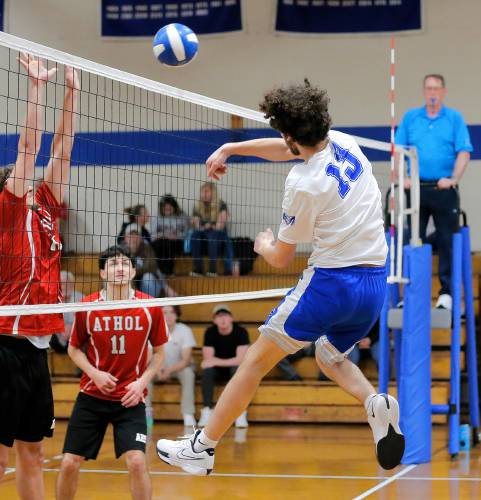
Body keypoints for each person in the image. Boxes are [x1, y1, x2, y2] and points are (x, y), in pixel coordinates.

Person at [157, 80, 404, 475]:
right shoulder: (344, 142)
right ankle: (373, 403)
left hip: (332, 284)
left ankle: (202, 448)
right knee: (330, 355)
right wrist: (233, 148)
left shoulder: (303, 183)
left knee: (254, 362)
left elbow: (281, 258)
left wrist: (263, 244)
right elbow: (287, 149)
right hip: (375, 284)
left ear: (289, 135)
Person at [0, 56, 80, 500]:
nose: (34, 181)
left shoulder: (47, 209)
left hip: (36, 350)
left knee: (32, 453)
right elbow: (29, 148)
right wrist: (37, 87)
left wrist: (73, 94)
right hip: (4, 349)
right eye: (24, 181)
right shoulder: (9, 215)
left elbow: (63, 150)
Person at [56, 245, 167, 500]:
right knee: (69, 462)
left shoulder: (150, 306)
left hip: (130, 399)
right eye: (114, 264)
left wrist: (141, 384)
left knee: (137, 462)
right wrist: (94, 373)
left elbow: (160, 354)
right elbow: (74, 350)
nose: (120, 268)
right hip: (92, 396)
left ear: (134, 271)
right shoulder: (87, 306)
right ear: (103, 273)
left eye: (125, 263)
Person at [395, 74, 473, 310]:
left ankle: (446, 293)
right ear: (423, 90)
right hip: (416, 189)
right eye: (428, 88)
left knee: (447, 240)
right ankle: (411, 292)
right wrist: (404, 178)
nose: (432, 93)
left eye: (436, 89)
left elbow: (464, 152)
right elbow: (399, 150)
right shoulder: (411, 117)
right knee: (411, 239)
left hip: (443, 188)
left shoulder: (454, 118)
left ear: (443, 91)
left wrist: (453, 179)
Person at [198, 304, 249, 428]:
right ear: (214, 320)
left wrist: (215, 361)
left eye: (225, 315)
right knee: (207, 371)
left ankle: (240, 412)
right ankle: (207, 410)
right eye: (219, 316)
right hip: (217, 371)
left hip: (234, 369)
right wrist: (214, 362)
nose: (222, 319)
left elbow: (240, 360)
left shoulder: (241, 331)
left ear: (231, 318)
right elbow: (207, 360)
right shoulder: (210, 332)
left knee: (238, 370)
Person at [146, 305, 197, 427]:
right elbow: (147, 357)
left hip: (178, 368)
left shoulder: (184, 330)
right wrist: (157, 370)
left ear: (177, 315)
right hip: (156, 367)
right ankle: (146, 412)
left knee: (188, 374)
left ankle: (188, 414)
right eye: (165, 312)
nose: (168, 315)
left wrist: (168, 371)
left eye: (172, 312)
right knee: (145, 376)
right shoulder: (152, 329)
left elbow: (185, 360)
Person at [190, 182, 233, 276]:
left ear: (213, 193)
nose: (204, 194)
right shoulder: (197, 206)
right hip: (203, 233)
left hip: (218, 234)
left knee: (212, 235)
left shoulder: (221, 204)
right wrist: (207, 226)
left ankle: (213, 269)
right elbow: (197, 226)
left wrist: (207, 226)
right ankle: (198, 269)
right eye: (202, 192)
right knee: (194, 235)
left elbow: (219, 226)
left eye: (206, 191)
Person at [123, 224, 177, 298]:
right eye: (131, 236)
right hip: (131, 287)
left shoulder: (147, 248)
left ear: (141, 238)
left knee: (148, 277)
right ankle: (167, 290)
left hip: (149, 286)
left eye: (136, 236)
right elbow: (124, 272)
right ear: (125, 238)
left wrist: (134, 271)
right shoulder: (121, 251)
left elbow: (152, 266)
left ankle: (151, 304)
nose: (133, 239)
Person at [151, 195, 189, 276]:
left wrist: (176, 236)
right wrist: (164, 235)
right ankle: (160, 271)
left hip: (177, 241)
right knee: (158, 244)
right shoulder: (157, 216)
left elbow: (186, 234)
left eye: (170, 208)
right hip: (161, 240)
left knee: (169, 244)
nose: (167, 210)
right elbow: (152, 235)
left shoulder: (183, 216)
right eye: (165, 208)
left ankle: (169, 271)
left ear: (174, 207)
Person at [51, 270, 85, 354]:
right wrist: (61, 328)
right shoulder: (51, 299)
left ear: (72, 284)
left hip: (76, 337)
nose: (65, 286)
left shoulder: (82, 298)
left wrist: (72, 327)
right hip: (56, 337)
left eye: (68, 283)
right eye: (62, 283)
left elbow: (85, 319)